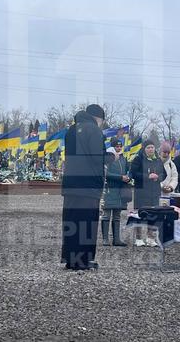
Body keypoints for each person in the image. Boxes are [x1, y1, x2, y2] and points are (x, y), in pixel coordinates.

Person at [61, 104, 116, 270]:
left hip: (71, 184)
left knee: (71, 220)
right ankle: (83, 260)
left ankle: (70, 259)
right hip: (88, 185)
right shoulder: (94, 130)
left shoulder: (71, 130)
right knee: (86, 222)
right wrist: (112, 156)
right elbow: (95, 158)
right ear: (98, 118)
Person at [130, 139, 165, 247]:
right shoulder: (138, 159)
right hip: (141, 191)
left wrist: (158, 177)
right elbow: (134, 173)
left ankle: (150, 238)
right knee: (139, 214)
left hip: (154, 192)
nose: (150, 149)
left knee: (153, 215)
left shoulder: (158, 160)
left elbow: (164, 174)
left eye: (152, 147)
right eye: (148, 147)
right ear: (144, 149)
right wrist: (147, 176)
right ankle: (138, 238)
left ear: (155, 149)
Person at [101, 138, 129, 247]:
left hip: (120, 190)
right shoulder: (108, 157)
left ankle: (116, 239)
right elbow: (106, 173)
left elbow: (127, 171)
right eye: (117, 146)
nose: (119, 148)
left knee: (117, 216)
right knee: (106, 215)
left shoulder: (123, 158)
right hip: (109, 188)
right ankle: (105, 239)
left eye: (120, 146)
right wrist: (120, 177)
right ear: (113, 147)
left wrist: (128, 178)